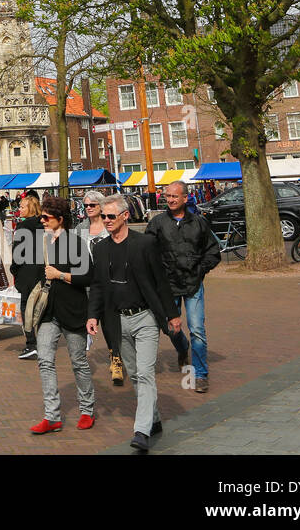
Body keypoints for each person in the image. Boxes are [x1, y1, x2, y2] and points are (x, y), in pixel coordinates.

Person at [86, 195, 180, 453]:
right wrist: (92, 315)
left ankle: (141, 430)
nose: (105, 220)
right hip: (116, 321)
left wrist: (172, 315)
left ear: (125, 216)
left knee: (146, 372)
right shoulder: (100, 248)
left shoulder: (145, 244)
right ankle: (154, 417)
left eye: (110, 216)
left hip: (145, 318)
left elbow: (161, 281)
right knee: (135, 374)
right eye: (102, 216)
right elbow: (97, 286)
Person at [144, 180, 220, 394]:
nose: (170, 200)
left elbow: (213, 251)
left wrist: (200, 269)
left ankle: (200, 374)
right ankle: (182, 348)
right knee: (170, 328)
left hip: (193, 284)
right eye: (167, 196)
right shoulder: (157, 223)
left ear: (185, 198)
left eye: (174, 196)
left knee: (197, 330)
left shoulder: (199, 223)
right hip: (168, 286)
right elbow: (146, 251)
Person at [31, 196, 95, 434]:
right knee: (45, 360)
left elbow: (88, 277)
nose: (42, 220)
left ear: (60, 219)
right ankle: (52, 416)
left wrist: (60, 275)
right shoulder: (42, 242)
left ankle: (87, 410)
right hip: (49, 312)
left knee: (78, 362)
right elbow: (39, 275)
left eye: (46, 217)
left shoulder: (75, 243)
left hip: (73, 310)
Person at [80, 189, 124, 386]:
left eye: (92, 205)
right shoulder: (80, 228)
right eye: (86, 205)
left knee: (110, 322)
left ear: (101, 206)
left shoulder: (111, 225)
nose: (88, 208)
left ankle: (116, 358)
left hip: (110, 282)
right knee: (93, 321)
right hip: (87, 283)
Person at [11, 190, 45, 360]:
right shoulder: (44, 224)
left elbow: (18, 253)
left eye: (23, 206)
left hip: (26, 272)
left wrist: (13, 269)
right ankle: (43, 342)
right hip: (42, 270)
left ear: (30, 208)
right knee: (41, 305)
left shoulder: (23, 227)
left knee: (27, 307)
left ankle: (31, 344)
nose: (19, 209)